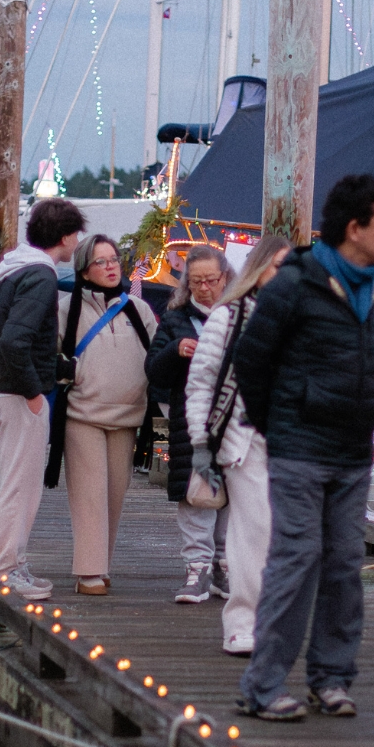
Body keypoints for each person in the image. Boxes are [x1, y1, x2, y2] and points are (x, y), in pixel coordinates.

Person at [233, 174, 374, 720]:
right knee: (297, 558)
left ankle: (330, 677)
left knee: (345, 564)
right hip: (299, 446)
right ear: (354, 229)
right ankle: (262, 687)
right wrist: (276, 424)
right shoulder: (294, 284)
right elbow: (251, 359)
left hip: (352, 448)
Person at [184, 235, 293, 655]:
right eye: (278, 266)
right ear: (259, 269)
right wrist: (201, 443)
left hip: (294, 440)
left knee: (287, 535)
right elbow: (201, 383)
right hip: (244, 438)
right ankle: (242, 622)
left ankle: (275, 620)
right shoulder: (228, 317)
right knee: (252, 531)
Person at [0, 197, 86, 601]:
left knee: (19, 483)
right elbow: (14, 340)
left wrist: (53, 367)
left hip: (2, 385)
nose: (77, 242)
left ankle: (13, 561)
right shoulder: (41, 276)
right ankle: (6, 568)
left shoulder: (14, 268)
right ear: (65, 237)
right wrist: (33, 392)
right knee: (21, 486)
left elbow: (7, 335)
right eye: (75, 234)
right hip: (18, 392)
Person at [53, 235, 156, 595]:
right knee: (90, 494)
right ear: (84, 269)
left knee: (114, 494)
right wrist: (70, 372)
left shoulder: (139, 310)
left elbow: (156, 354)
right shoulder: (66, 308)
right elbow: (49, 353)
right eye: (101, 261)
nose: (111, 267)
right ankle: (89, 571)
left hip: (128, 415)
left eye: (114, 259)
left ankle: (102, 563)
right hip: (82, 413)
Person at [146, 245, 232, 603]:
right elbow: (153, 372)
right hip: (189, 422)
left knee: (233, 494)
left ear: (225, 278)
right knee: (196, 493)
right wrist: (174, 350)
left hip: (234, 420)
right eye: (196, 281)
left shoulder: (242, 314)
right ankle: (197, 568)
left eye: (210, 280)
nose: (204, 288)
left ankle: (225, 566)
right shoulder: (175, 319)